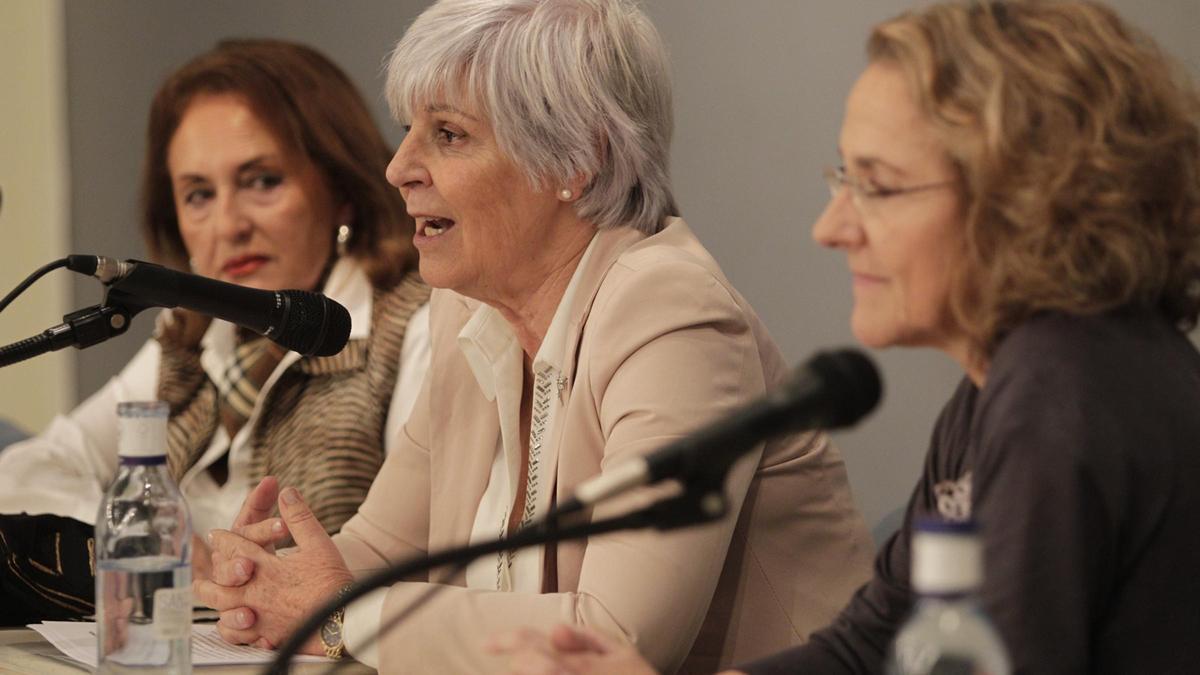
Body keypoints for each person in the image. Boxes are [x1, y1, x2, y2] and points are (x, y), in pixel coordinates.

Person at [490, 1, 1200, 673]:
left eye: (879, 187)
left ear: (1026, 199)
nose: (831, 228)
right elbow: (868, 647)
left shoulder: (1063, 389)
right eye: (843, 178)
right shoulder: (1007, 380)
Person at [193, 0, 875, 671]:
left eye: (449, 134)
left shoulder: (671, 312)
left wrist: (339, 614)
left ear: (574, 160)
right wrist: (272, 580)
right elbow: (381, 546)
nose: (399, 167)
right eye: (408, 129)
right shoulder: (471, 309)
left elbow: (616, 638)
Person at [0, 39, 431, 625]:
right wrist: (160, 547)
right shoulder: (190, 338)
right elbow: (27, 472)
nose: (228, 225)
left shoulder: (416, 320)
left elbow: (410, 548)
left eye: (262, 182)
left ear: (340, 189)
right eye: (199, 194)